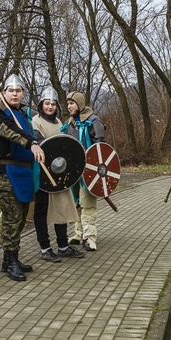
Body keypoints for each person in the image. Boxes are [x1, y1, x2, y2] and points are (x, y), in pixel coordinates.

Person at [0, 75, 44, 282]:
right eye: (11, 91)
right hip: (7, 173)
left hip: (24, 172)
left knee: (20, 220)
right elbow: (11, 133)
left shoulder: (23, 115)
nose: (15, 94)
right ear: (3, 93)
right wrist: (31, 144)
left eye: (18, 90)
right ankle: (11, 262)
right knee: (11, 220)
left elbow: (30, 135)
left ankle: (9, 260)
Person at [31, 87, 85, 262]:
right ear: (41, 104)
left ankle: (62, 246)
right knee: (42, 211)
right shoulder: (35, 122)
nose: (50, 107)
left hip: (60, 174)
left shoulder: (58, 123)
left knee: (61, 209)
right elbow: (40, 145)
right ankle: (45, 248)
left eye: (53, 104)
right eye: (47, 103)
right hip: (43, 174)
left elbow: (65, 148)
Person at [63, 91, 106, 252]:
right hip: (73, 170)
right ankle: (78, 233)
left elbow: (101, 150)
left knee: (87, 204)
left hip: (89, 170)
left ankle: (90, 237)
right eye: (68, 103)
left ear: (79, 104)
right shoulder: (69, 123)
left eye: (72, 103)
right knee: (76, 203)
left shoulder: (94, 121)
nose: (69, 106)